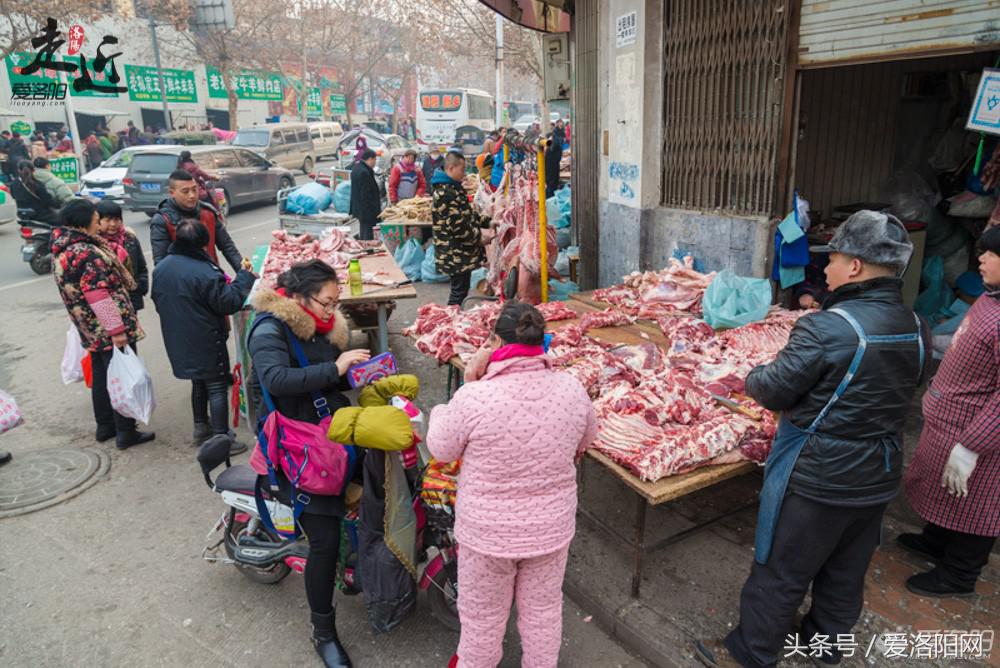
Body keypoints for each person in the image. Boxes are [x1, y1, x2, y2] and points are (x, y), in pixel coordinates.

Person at [695, 211, 930, 668]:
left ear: (856, 266)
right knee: (846, 570)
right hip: (878, 473)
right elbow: (908, 386)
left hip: (819, 477)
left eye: (834, 258)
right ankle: (824, 647)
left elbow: (772, 388)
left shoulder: (828, 326)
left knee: (781, 570)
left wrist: (754, 373)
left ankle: (750, 653)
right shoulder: (917, 327)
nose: (826, 269)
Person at [427, 301, 597, 667]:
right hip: (550, 531)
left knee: (483, 621)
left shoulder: (473, 397)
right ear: (542, 343)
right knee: (543, 613)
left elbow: (441, 448)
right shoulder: (571, 389)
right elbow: (586, 440)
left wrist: (462, 391)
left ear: (493, 342)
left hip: (488, 536)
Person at [247, 260, 370, 668]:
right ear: (299, 297)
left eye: (337, 303)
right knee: (324, 539)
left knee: (376, 486)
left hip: (331, 432)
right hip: (296, 446)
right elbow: (278, 381)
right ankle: (323, 630)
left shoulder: (322, 325)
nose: (332, 311)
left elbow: (327, 379)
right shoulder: (269, 329)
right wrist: (334, 368)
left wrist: (356, 373)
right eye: (327, 301)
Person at [900, 225, 1000, 598]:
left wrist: (974, 444)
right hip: (950, 420)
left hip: (979, 433)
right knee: (948, 491)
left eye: (991, 254)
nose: (981, 259)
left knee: (977, 505)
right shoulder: (992, 298)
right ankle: (936, 541)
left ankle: (959, 575)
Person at [52, 199, 155, 450]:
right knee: (119, 376)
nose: (99, 224)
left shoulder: (63, 249)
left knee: (101, 374)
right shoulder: (87, 252)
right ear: (83, 223)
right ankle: (126, 431)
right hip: (105, 326)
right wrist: (117, 331)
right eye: (97, 220)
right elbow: (98, 293)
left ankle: (105, 426)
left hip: (87, 325)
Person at [152, 220, 254, 451]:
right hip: (205, 336)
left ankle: (201, 427)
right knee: (216, 385)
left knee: (198, 381)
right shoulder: (204, 272)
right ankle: (221, 439)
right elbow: (228, 303)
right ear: (203, 242)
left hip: (178, 336)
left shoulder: (162, 268)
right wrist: (244, 278)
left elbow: (158, 300)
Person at [150, 170, 245, 273]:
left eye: (195, 189)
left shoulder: (208, 212)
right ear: (172, 193)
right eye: (185, 191)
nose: (192, 195)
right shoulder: (162, 220)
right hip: (185, 284)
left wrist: (243, 272)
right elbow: (161, 264)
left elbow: (227, 246)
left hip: (213, 278)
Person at [432, 152, 495, 306]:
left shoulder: (453, 188)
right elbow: (458, 228)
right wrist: (479, 239)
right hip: (454, 253)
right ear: (451, 168)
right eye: (462, 169)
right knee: (458, 292)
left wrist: (489, 222)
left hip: (458, 253)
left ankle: (453, 321)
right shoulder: (446, 193)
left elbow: (468, 215)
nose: (464, 173)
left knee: (461, 289)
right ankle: (451, 324)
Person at [96, 200, 148, 313]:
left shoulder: (130, 239)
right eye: (108, 220)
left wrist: (140, 287)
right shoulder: (95, 244)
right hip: (109, 303)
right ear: (97, 221)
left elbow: (141, 267)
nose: (113, 224)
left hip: (131, 298)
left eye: (116, 219)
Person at [10, 160, 60, 224]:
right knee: (62, 220)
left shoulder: (13, 184)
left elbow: (13, 196)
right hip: (40, 215)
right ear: (34, 170)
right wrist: (60, 205)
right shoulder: (37, 184)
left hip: (22, 215)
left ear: (18, 170)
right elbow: (48, 201)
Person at [350, 149, 381, 241]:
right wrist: (373, 210)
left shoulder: (356, 168)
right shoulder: (364, 172)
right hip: (366, 210)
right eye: (375, 160)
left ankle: (365, 245)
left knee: (363, 230)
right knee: (368, 233)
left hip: (359, 208)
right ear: (370, 159)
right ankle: (368, 249)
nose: (375, 163)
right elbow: (366, 194)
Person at [544, 132, 563, 198]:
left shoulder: (550, 148)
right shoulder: (558, 146)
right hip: (555, 170)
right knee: (553, 188)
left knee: (549, 189)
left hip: (549, 171)